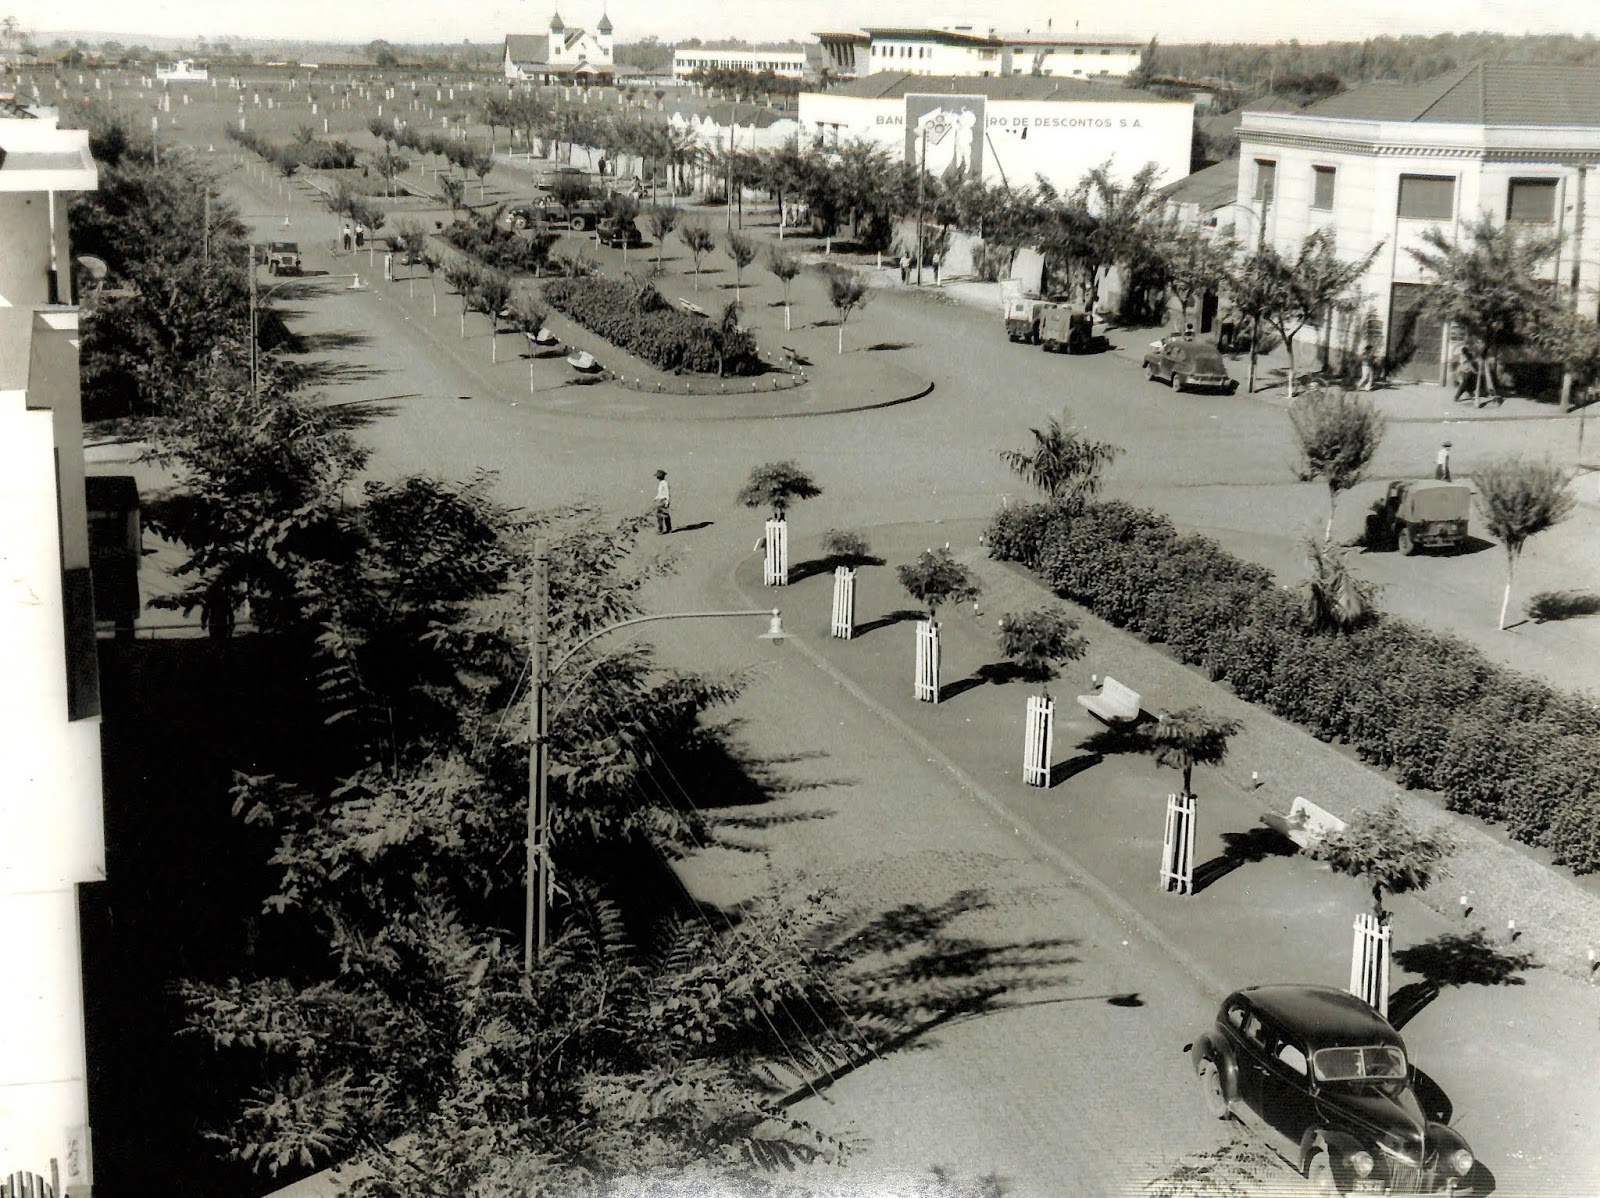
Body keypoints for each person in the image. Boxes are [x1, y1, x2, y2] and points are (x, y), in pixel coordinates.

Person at [653, 469, 671, 535]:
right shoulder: (661, 483)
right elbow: (660, 493)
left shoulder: (665, 483)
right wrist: (656, 498)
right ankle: (668, 528)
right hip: (660, 500)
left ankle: (662, 529)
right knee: (662, 515)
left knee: (660, 515)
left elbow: (667, 493)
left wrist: (667, 501)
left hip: (663, 501)